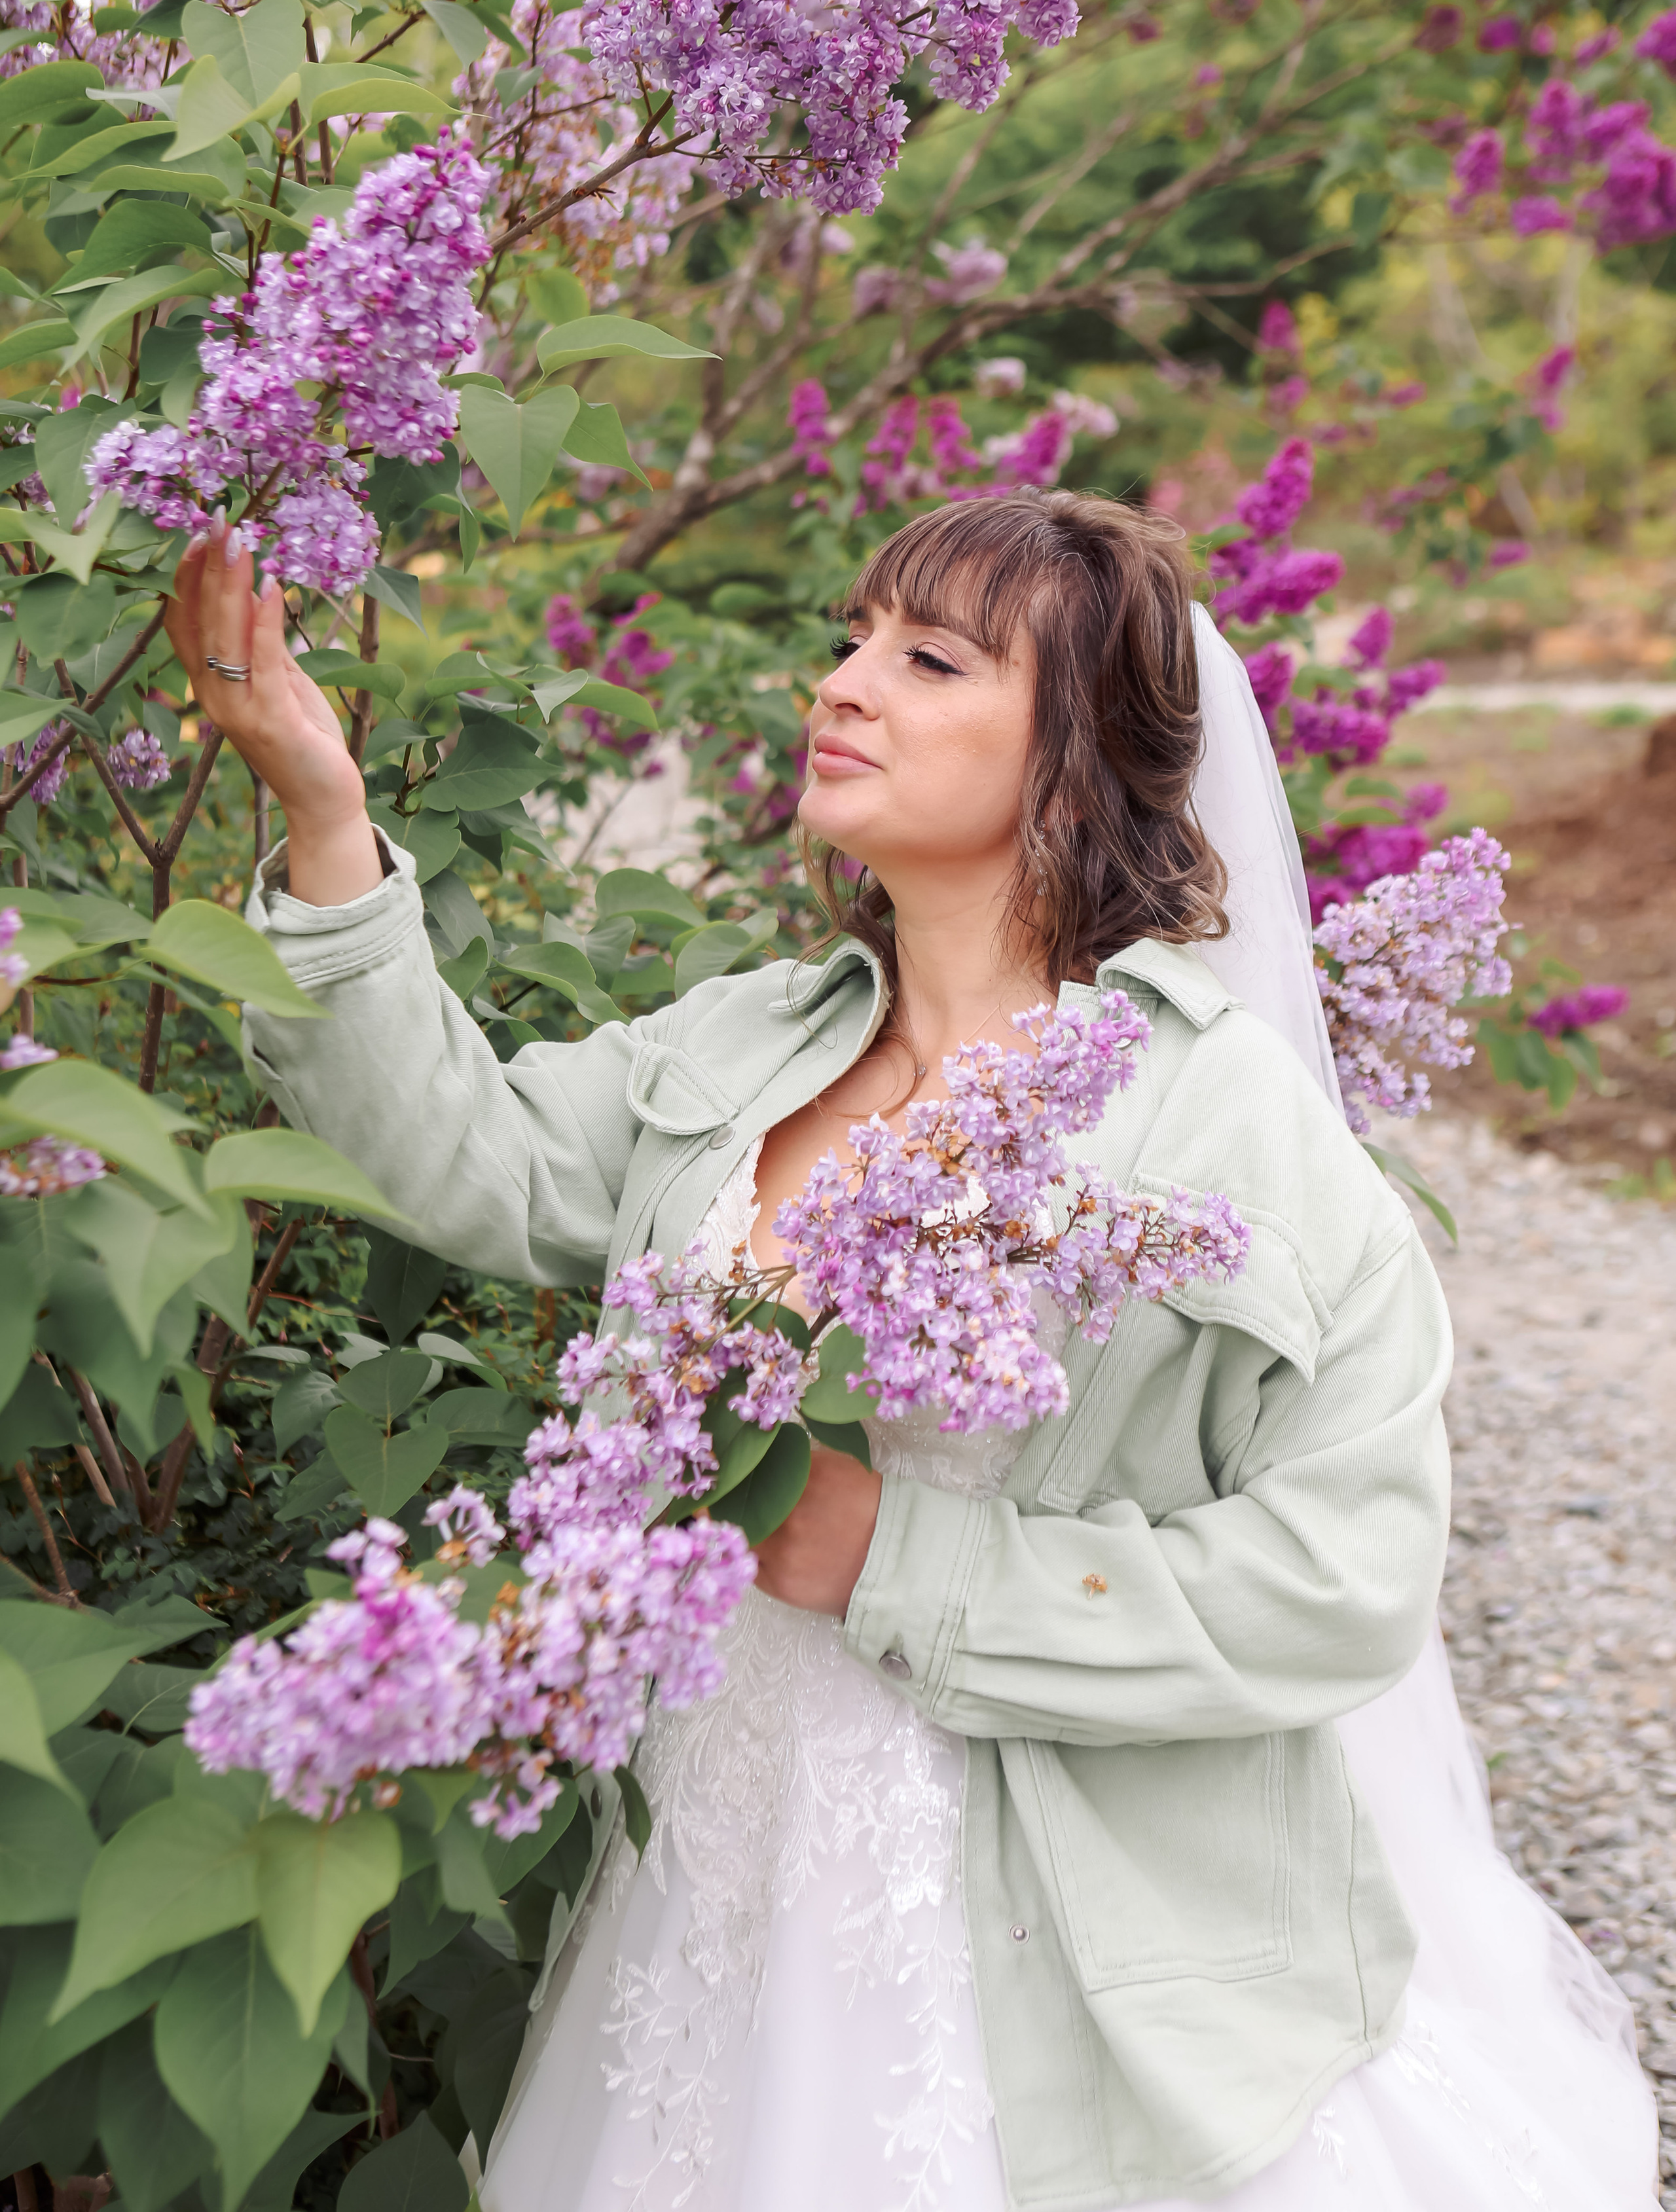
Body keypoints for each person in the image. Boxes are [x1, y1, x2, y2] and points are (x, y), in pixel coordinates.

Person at [169, 492, 1658, 2211]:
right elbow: (452, 1154)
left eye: (929, 657)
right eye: (853, 636)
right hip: (715, 1879)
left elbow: (1350, 1572)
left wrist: (906, 1559)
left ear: (1075, 758)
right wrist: (328, 813)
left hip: (1042, 1922)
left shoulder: (1218, 1116)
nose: (846, 684)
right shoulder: (743, 1045)